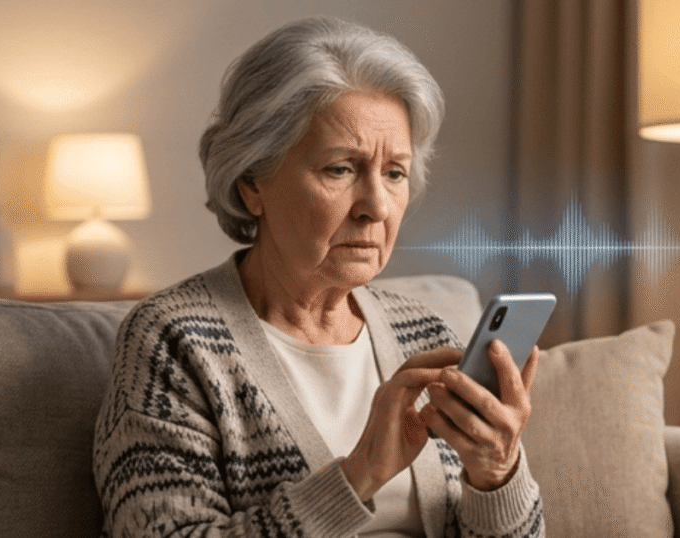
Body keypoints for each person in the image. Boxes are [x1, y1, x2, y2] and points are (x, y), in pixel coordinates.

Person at [93, 16, 544, 537]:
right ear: (251, 185)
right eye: (340, 169)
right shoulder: (174, 342)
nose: (377, 205)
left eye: (394, 172)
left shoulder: (424, 334)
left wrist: (497, 475)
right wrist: (356, 478)